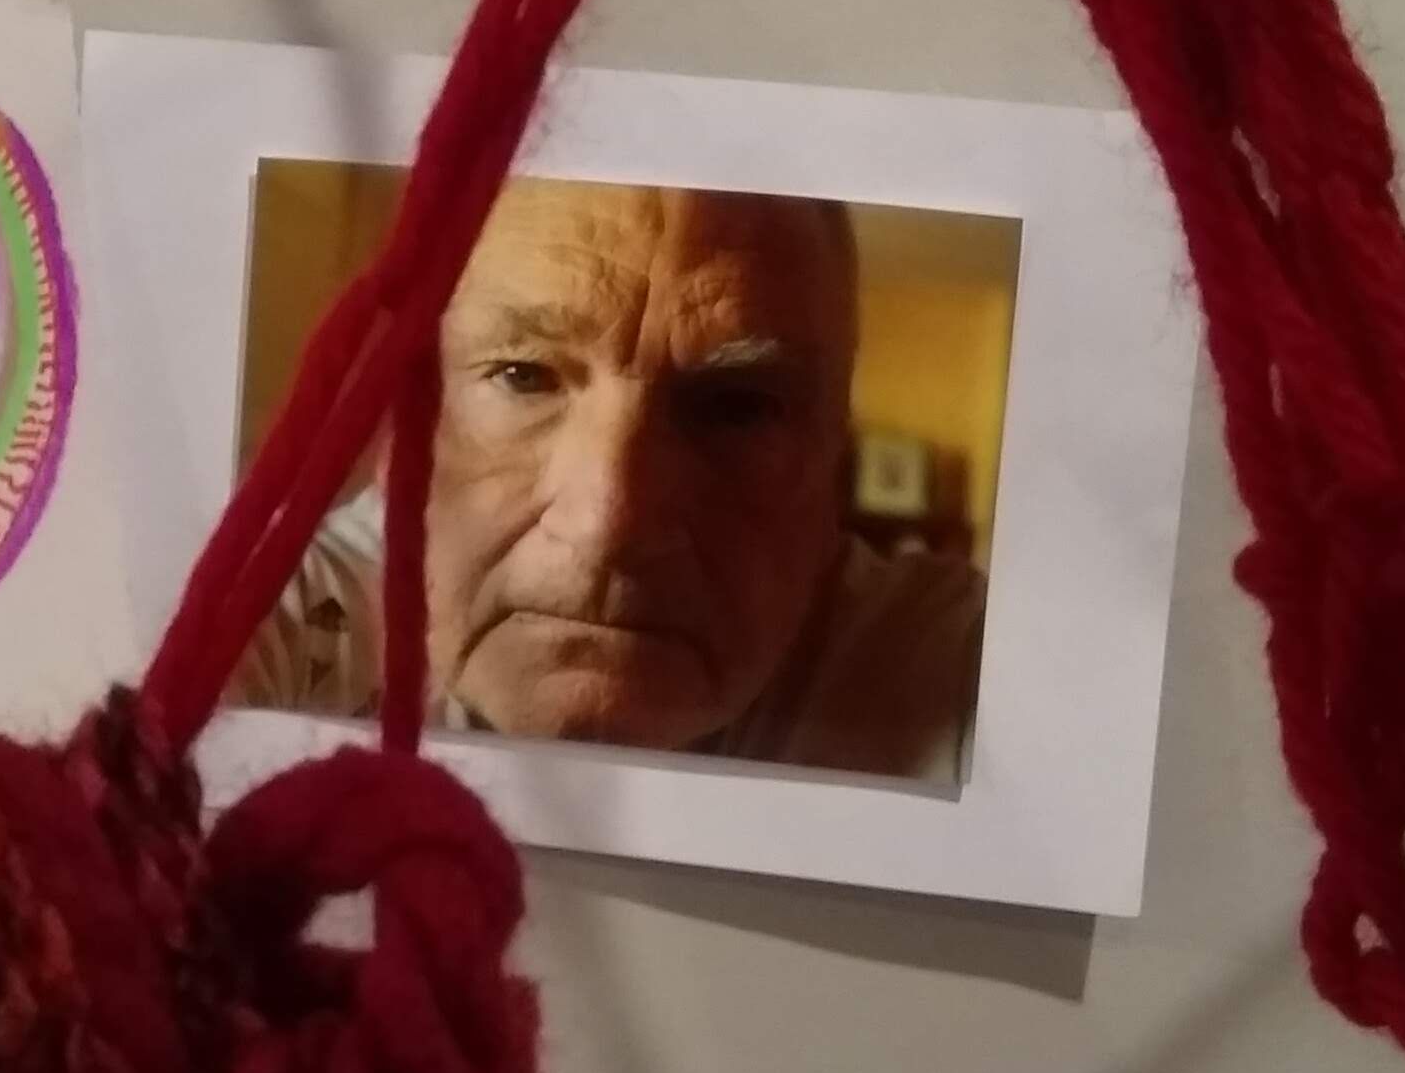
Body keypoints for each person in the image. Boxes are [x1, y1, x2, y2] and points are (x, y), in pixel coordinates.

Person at [236, 177, 985, 780]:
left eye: (737, 407)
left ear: (830, 474)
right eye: (523, 376)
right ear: (397, 438)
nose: (609, 524)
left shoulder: (951, 668)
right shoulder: (277, 614)